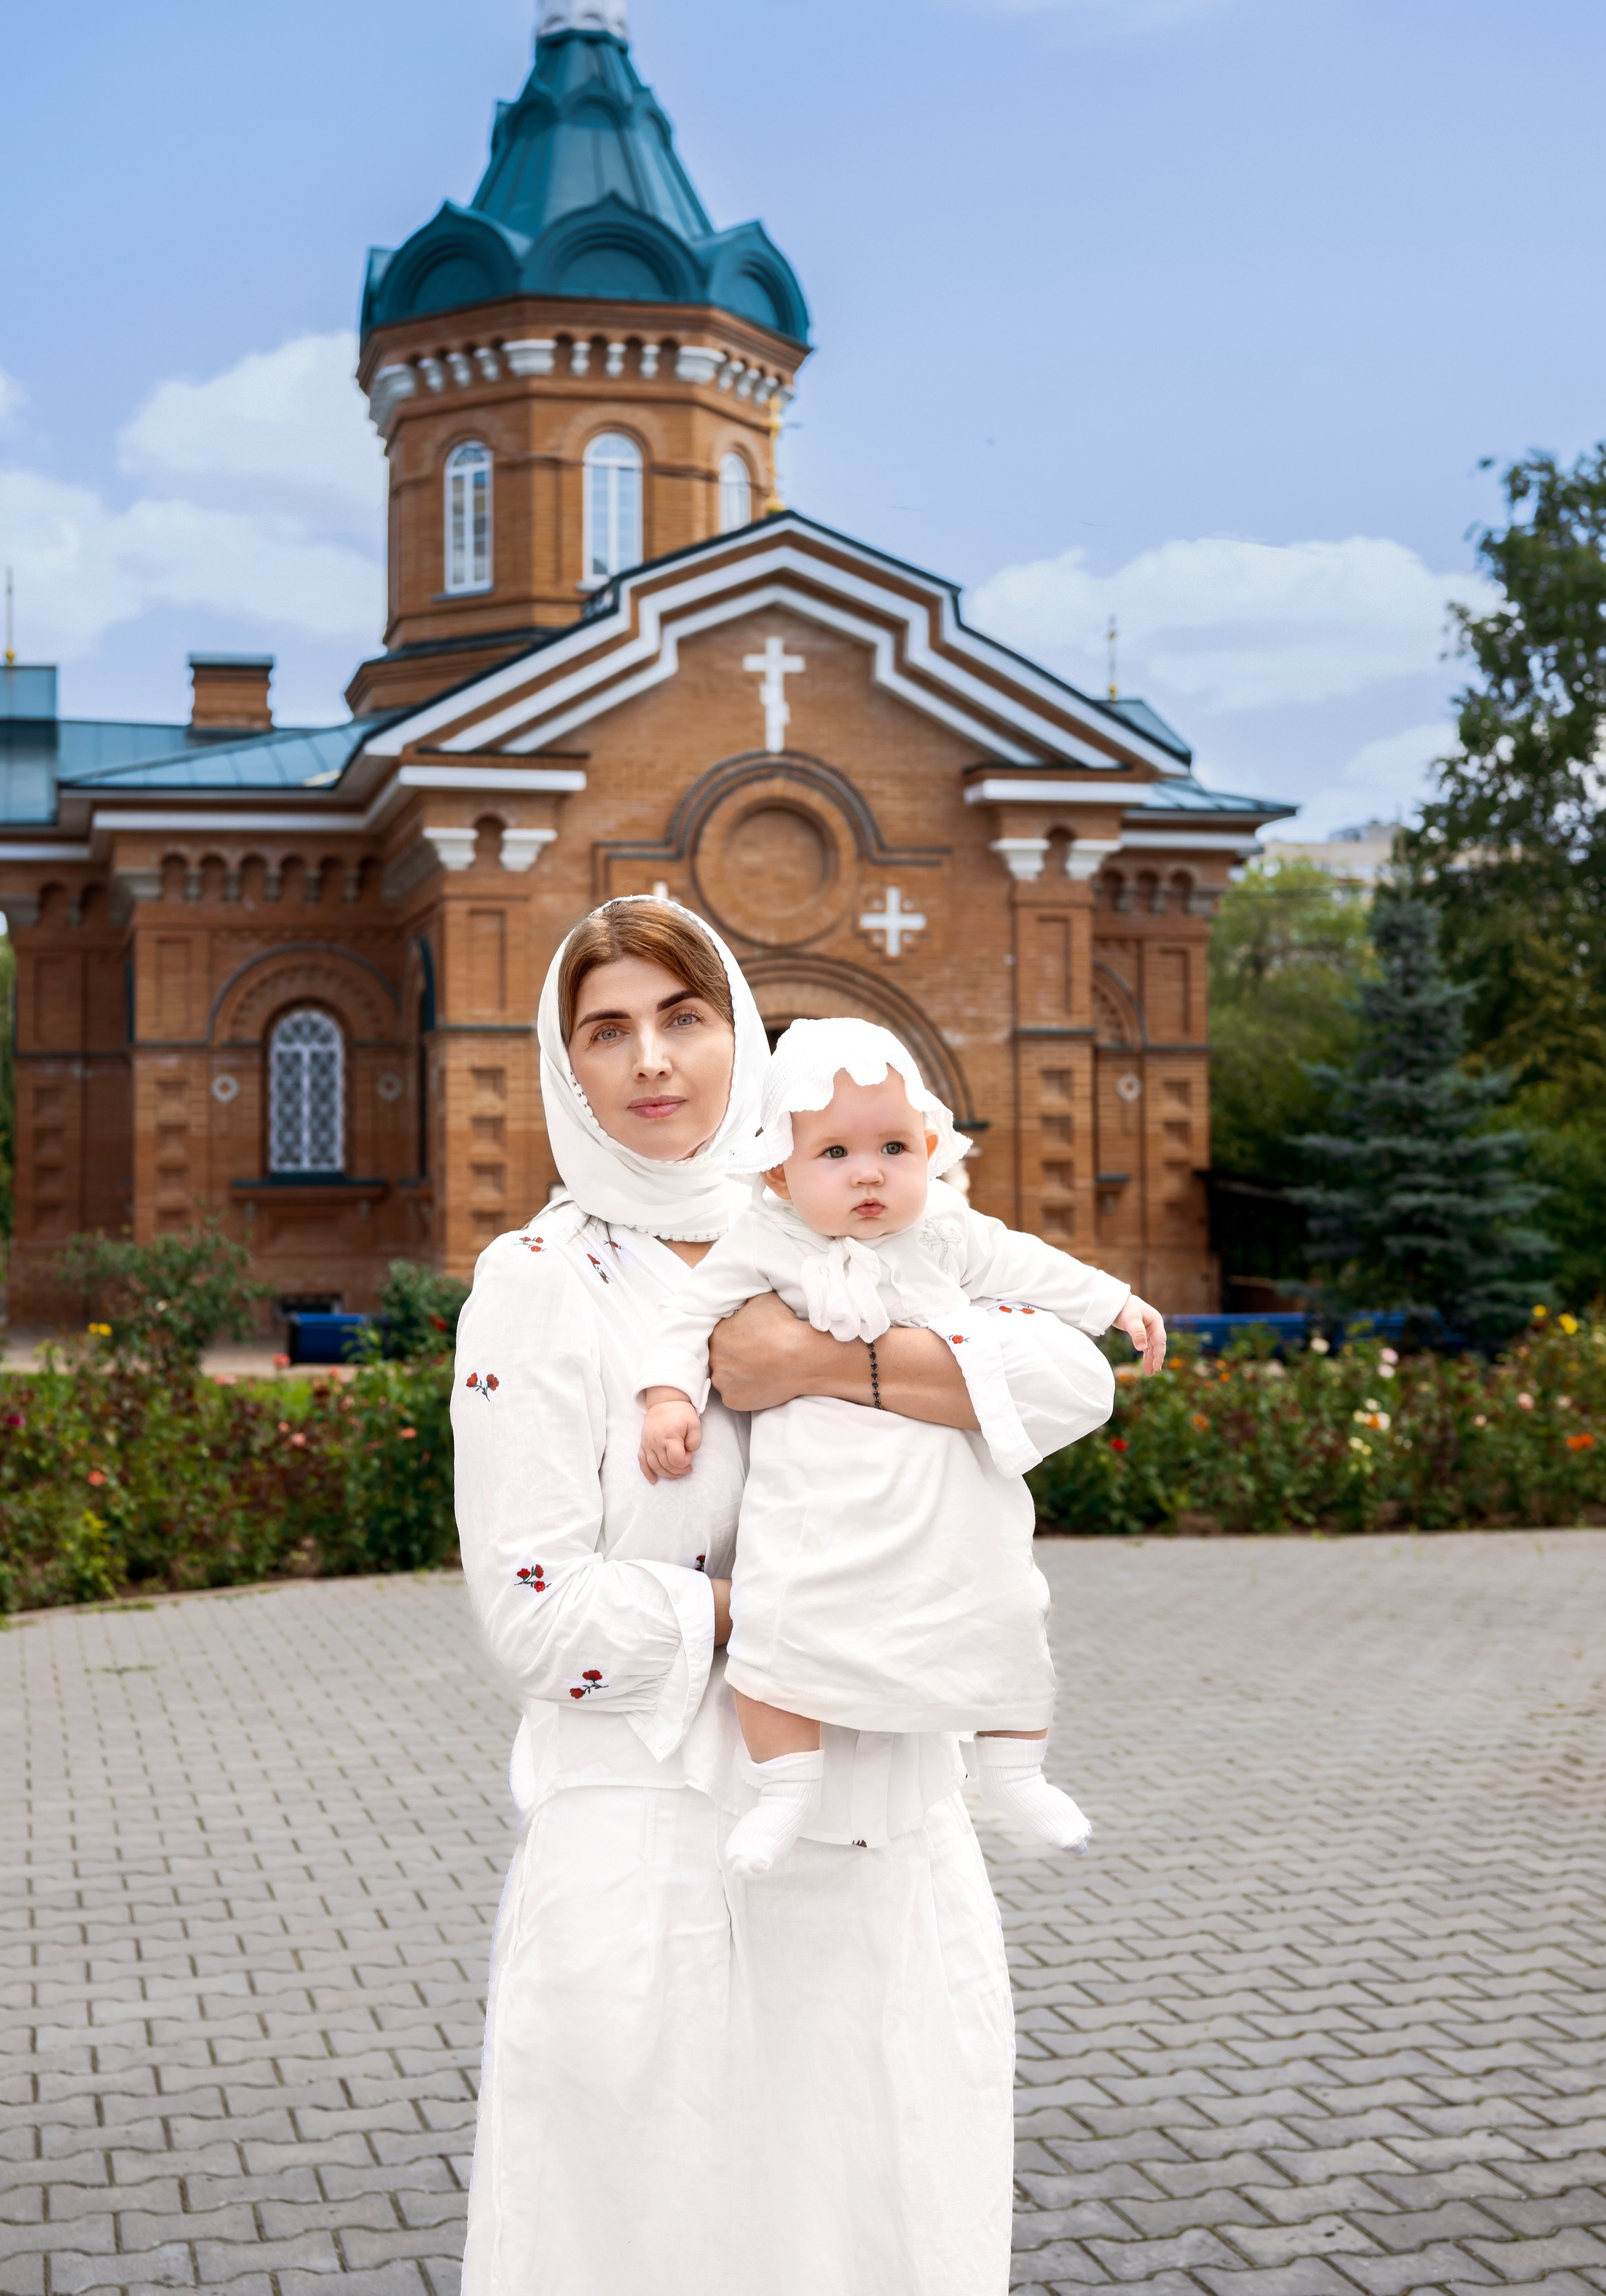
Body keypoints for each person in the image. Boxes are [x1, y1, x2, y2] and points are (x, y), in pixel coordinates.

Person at [451, 896, 1165, 2296]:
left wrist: (813, 1365)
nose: (653, 1061)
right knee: (654, 2244)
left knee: (876, 2236)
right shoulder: (542, 1282)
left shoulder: (848, 1212)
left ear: (741, 1040)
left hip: (885, 1839)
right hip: (660, 1857)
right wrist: (772, 1612)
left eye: (686, 1017)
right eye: (608, 1031)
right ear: (567, 1064)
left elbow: (1078, 1377)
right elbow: (531, 1615)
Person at [637, 1015, 1130, 1875]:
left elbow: (1031, 1264)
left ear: (930, 1149)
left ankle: (1015, 1772)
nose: (868, 1171)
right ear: (781, 1175)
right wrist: (670, 1397)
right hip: (815, 1497)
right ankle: (785, 1789)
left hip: (950, 1495)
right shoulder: (763, 1242)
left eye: (894, 1147)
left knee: (1008, 1610)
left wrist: (1114, 1304)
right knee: (776, 1630)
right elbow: (687, 1317)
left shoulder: (943, 1230)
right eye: (833, 1153)